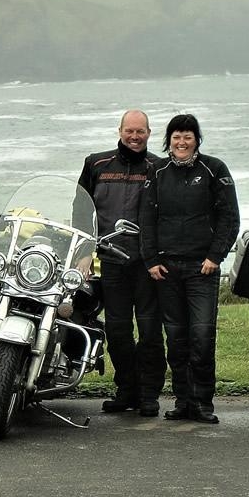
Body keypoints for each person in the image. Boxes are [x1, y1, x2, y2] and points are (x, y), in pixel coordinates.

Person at [140, 113, 239, 424]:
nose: (182, 142)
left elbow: (229, 217)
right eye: (176, 136)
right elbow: (146, 219)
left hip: (202, 269)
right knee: (177, 338)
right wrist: (151, 260)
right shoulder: (157, 171)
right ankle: (182, 401)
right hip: (166, 269)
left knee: (202, 335)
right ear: (168, 140)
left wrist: (216, 256)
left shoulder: (214, 168)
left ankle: (202, 403)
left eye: (188, 136)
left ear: (197, 140)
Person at [76, 109, 164, 417]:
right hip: (111, 261)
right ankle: (126, 389)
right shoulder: (96, 163)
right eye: (130, 131)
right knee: (118, 330)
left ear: (149, 133)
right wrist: (85, 252)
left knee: (151, 330)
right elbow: (81, 210)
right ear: (120, 131)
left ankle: (149, 394)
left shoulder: (159, 167)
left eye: (141, 131)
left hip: (148, 263)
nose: (135, 136)